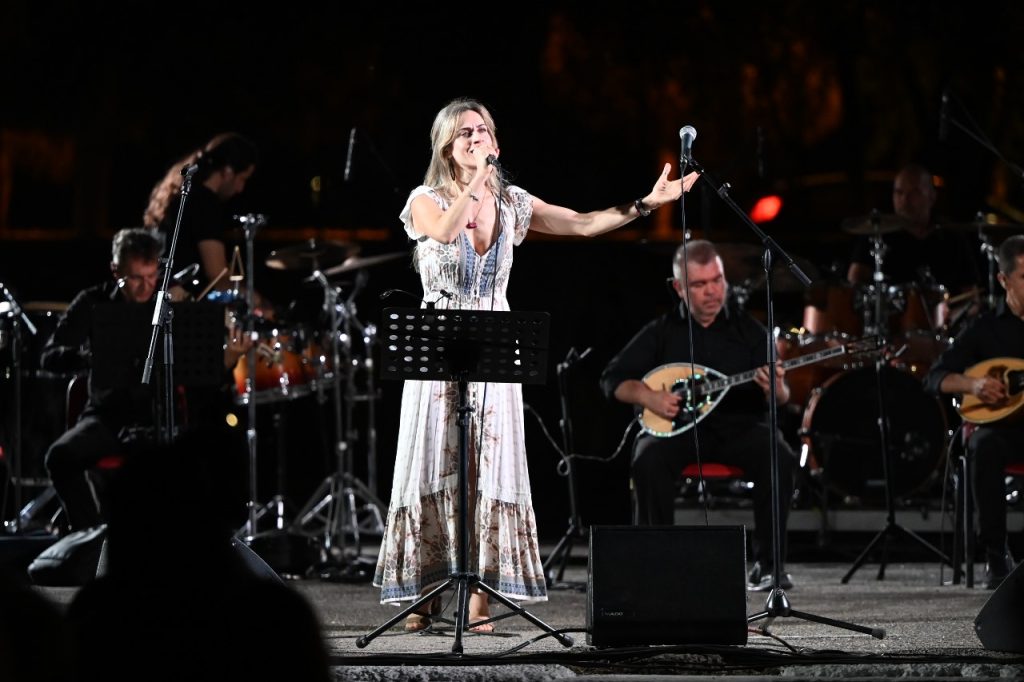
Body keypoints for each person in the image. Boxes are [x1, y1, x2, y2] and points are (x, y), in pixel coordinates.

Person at [372, 97, 698, 632]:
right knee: (437, 463)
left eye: (483, 129)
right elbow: (446, 232)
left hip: (494, 347)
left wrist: (645, 204)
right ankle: (427, 589)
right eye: (464, 133)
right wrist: (477, 182)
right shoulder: (425, 199)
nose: (475, 138)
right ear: (447, 147)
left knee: (486, 468)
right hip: (440, 347)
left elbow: (583, 224)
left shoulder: (513, 204)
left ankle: (480, 597)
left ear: (495, 141)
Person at [600, 239, 798, 592]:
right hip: (679, 432)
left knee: (779, 454)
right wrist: (647, 396)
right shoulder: (661, 331)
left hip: (739, 428)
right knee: (646, 457)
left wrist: (776, 388)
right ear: (679, 288)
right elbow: (612, 380)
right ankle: (655, 565)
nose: (712, 292)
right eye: (699, 284)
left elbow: (781, 399)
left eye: (717, 280)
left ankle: (770, 566)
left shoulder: (751, 331)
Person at [40, 227, 250, 533]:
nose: (145, 287)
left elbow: (202, 374)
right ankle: (92, 537)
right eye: (135, 278)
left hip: (164, 417)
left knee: (214, 456)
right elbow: (50, 356)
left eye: (152, 277)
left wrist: (229, 358)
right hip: (108, 417)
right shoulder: (93, 301)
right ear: (116, 270)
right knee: (60, 457)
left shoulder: (169, 306)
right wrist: (91, 357)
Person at [923, 234, 1024, 589]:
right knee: (983, 445)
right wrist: (974, 385)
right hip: (1005, 431)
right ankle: (996, 556)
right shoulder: (985, 329)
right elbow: (934, 378)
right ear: (1003, 280)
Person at [846, 163, 980, 331]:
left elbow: (972, 298)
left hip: (944, 333)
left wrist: (951, 318)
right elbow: (854, 282)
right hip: (891, 331)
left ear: (932, 197)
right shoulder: (877, 233)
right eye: (899, 193)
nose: (905, 200)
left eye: (914, 192)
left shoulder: (952, 236)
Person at [142, 132, 259, 297]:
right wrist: (256, 299)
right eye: (242, 179)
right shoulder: (205, 203)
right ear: (227, 171)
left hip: (156, 297)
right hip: (184, 305)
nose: (240, 189)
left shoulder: (173, 194)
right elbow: (217, 277)